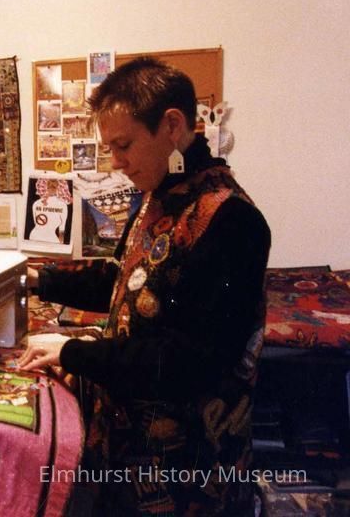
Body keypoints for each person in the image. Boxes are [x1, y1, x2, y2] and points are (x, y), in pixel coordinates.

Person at [19, 57, 270, 515]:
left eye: (124, 145)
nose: (116, 163)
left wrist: (74, 352)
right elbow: (126, 284)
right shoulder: (158, 197)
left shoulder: (232, 220)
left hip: (189, 474)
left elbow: (191, 359)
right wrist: (40, 280)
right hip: (131, 455)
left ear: (172, 126)